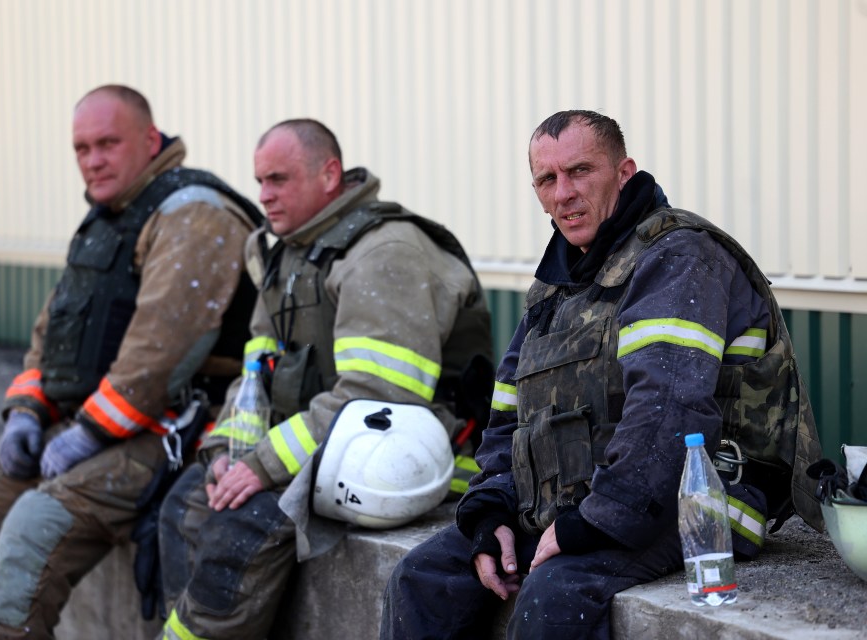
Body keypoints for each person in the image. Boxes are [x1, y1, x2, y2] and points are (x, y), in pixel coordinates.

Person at [381, 110, 824, 640]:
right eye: (547, 179)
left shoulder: (680, 257)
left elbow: (668, 412)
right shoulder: (557, 283)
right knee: (423, 576)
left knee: (554, 596)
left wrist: (589, 525)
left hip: (697, 503)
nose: (563, 193)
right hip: (586, 498)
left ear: (624, 171)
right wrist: (491, 511)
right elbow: (507, 415)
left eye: (580, 171)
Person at [0, 84, 262, 640]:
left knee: (36, 523)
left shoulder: (195, 214)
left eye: (107, 143)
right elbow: (48, 335)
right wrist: (26, 409)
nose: (92, 160)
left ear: (150, 140)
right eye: (81, 148)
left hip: (173, 432)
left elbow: (161, 354)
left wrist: (90, 432)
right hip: (92, 428)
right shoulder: (106, 219)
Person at [157, 118, 494, 640]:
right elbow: (254, 378)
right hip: (319, 448)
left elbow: (378, 399)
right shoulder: (285, 254)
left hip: (401, 458)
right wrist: (226, 448)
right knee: (184, 503)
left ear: (330, 174)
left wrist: (263, 465)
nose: (264, 197)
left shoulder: (385, 253)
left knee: (236, 529)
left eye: (279, 180)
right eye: (260, 182)